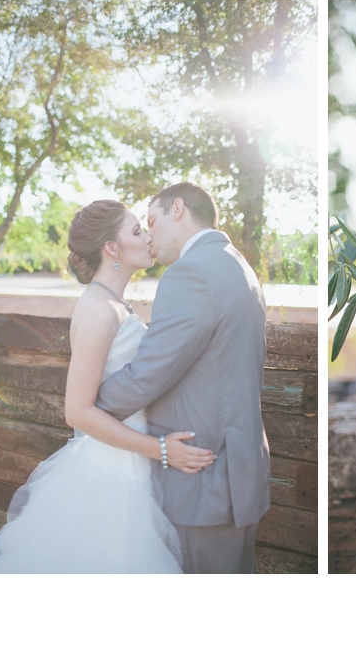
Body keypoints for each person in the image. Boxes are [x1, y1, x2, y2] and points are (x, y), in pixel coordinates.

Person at [0, 200, 214, 573]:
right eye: (137, 230)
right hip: (112, 474)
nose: (148, 236)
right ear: (112, 248)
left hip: (132, 464)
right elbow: (77, 411)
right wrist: (161, 450)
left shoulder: (116, 304)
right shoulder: (97, 309)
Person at [96, 182, 270, 574]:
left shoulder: (191, 273)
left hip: (200, 479)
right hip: (235, 470)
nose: (149, 236)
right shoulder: (237, 264)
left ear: (178, 210)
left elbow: (148, 373)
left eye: (152, 222)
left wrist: (88, 407)